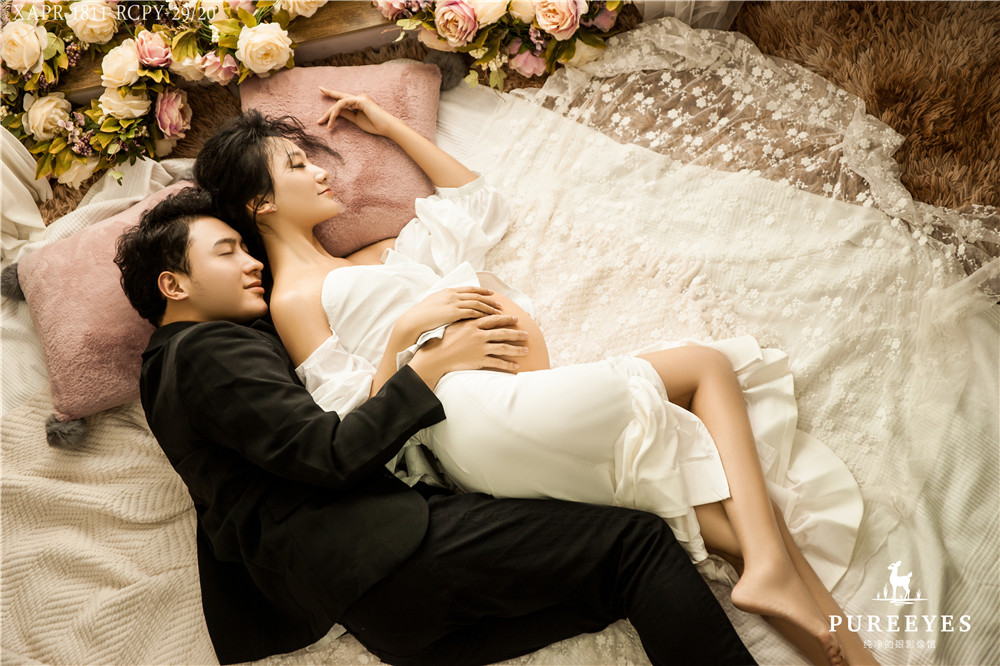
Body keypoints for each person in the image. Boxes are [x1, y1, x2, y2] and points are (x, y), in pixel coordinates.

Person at [193, 95, 878, 666]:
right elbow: (353, 428)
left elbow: (478, 205)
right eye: (297, 164)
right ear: (259, 202)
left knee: (726, 517)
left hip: (510, 417)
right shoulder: (293, 299)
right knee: (706, 366)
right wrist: (406, 340)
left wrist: (391, 125)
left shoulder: (379, 254)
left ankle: (832, 637)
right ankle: (768, 568)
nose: (320, 171)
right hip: (467, 414)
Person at [114, 188, 757, 666]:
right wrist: (427, 365)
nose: (252, 262)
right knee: (636, 546)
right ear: (173, 284)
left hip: (387, 622)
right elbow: (329, 453)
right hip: (395, 557)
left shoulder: (162, 381)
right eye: (227, 251)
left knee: (616, 577)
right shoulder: (206, 351)